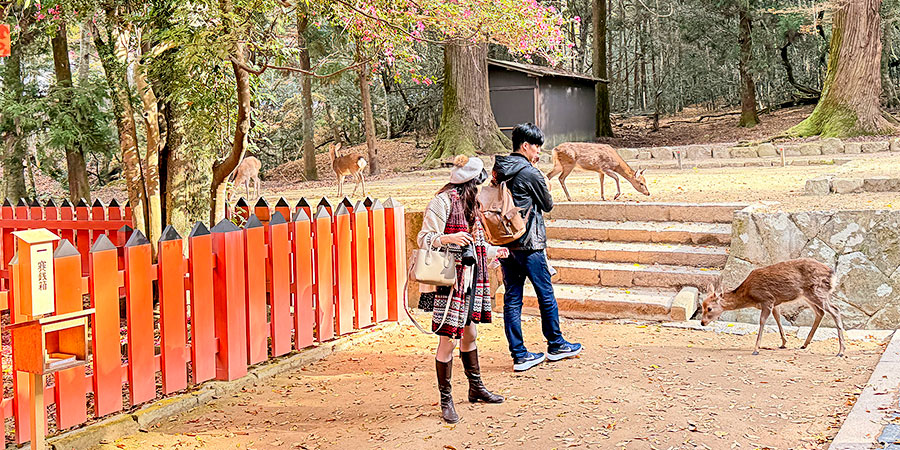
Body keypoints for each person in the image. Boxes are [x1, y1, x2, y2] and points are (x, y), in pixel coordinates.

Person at [417, 154, 508, 424]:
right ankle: (446, 400)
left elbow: (474, 243)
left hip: (471, 279)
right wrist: (448, 238)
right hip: (450, 280)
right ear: (471, 182)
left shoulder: (471, 204)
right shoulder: (442, 202)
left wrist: (493, 251)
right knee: (448, 340)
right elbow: (424, 238)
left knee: (470, 334)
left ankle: (475, 388)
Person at [492, 123, 582, 372]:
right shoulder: (529, 172)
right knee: (545, 294)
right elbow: (547, 203)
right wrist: (544, 182)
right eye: (537, 147)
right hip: (530, 243)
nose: (539, 151)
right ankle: (556, 344)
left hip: (506, 241)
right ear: (525, 146)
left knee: (512, 298)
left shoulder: (499, 170)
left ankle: (519, 355)